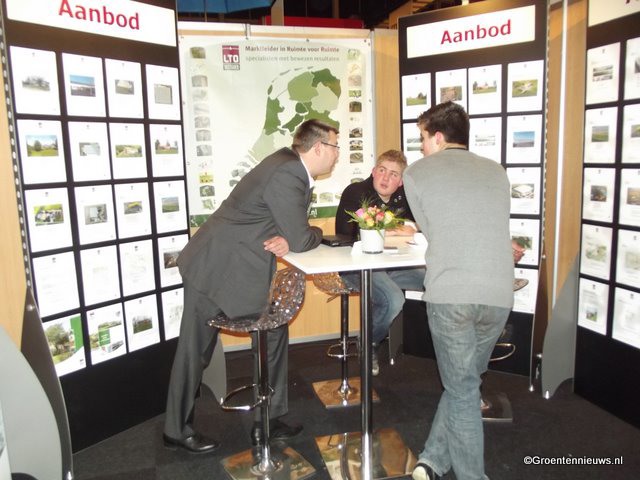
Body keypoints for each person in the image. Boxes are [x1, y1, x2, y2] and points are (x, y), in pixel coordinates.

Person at [163, 119, 340, 453]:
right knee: (194, 350)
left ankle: (269, 420)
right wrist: (313, 233)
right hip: (215, 267)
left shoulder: (287, 164)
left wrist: (290, 236)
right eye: (335, 146)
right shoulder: (289, 171)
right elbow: (301, 237)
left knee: (272, 329)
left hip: (231, 266)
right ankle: (177, 429)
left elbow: (278, 223)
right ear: (319, 147)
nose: (337, 154)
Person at [403, 102, 514, 480]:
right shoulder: (497, 171)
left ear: (437, 137)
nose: (421, 147)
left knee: (462, 391)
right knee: (464, 383)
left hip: (451, 293)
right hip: (498, 294)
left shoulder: (416, 173)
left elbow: (432, 229)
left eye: (422, 138)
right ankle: (433, 459)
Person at [335, 149, 425, 376]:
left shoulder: (404, 196)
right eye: (382, 170)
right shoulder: (356, 192)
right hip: (356, 267)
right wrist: (399, 229)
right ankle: (369, 342)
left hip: (391, 265)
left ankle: (439, 343)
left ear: (401, 181)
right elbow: (351, 234)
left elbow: (420, 225)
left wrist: (394, 229)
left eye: (393, 174)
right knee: (393, 299)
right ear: (373, 171)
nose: (385, 178)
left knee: (436, 280)